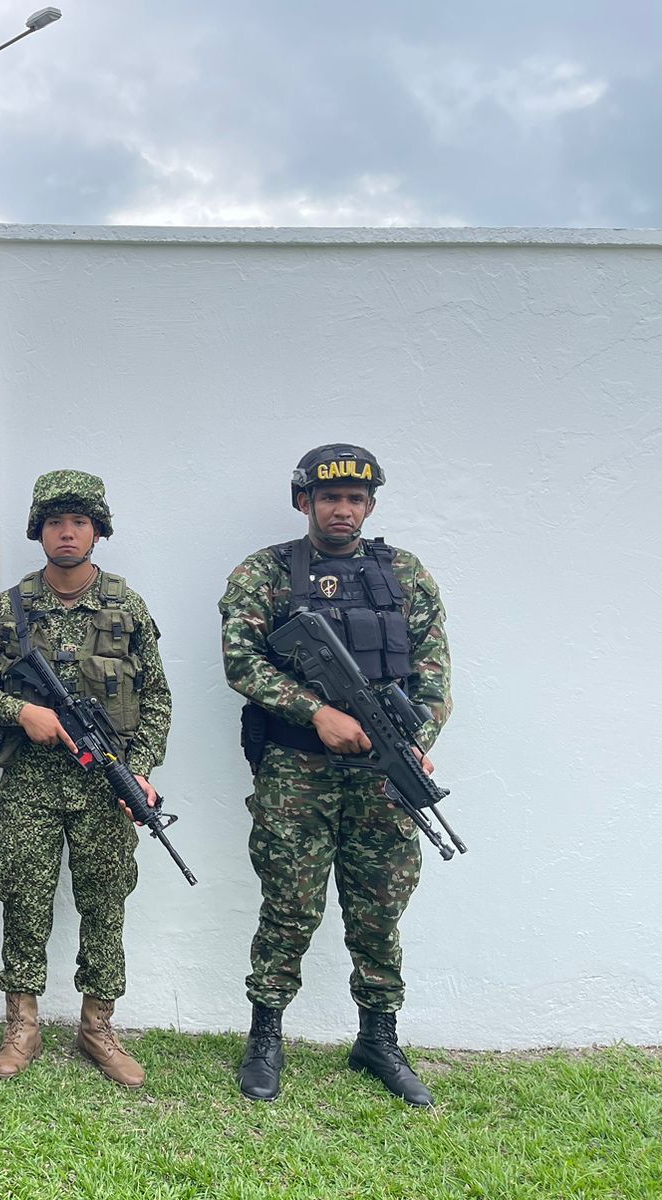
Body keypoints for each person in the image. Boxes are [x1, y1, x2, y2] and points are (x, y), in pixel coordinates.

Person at [220, 444, 451, 1106]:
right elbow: (243, 661)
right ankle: (266, 1038)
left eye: (355, 499)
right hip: (297, 768)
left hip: (383, 770)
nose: (342, 509)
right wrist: (315, 712)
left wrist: (416, 743)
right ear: (304, 502)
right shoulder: (264, 572)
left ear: (370, 505)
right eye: (329, 498)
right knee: (289, 905)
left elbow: (434, 677)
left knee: (379, 907)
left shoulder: (405, 575)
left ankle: (378, 1039)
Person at [0, 470, 172, 1088]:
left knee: (104, 902)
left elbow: (156, 697)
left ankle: (97, 1026)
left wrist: (143, 770)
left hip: (106, 786)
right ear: (39, 531)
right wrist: (23, 712)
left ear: (97, 530)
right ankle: (22, 1024)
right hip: (31, 785)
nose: (67, 532)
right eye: (55, 522)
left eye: (79, 521)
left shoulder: (126, 606)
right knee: (24, 899)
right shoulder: (12, 607)